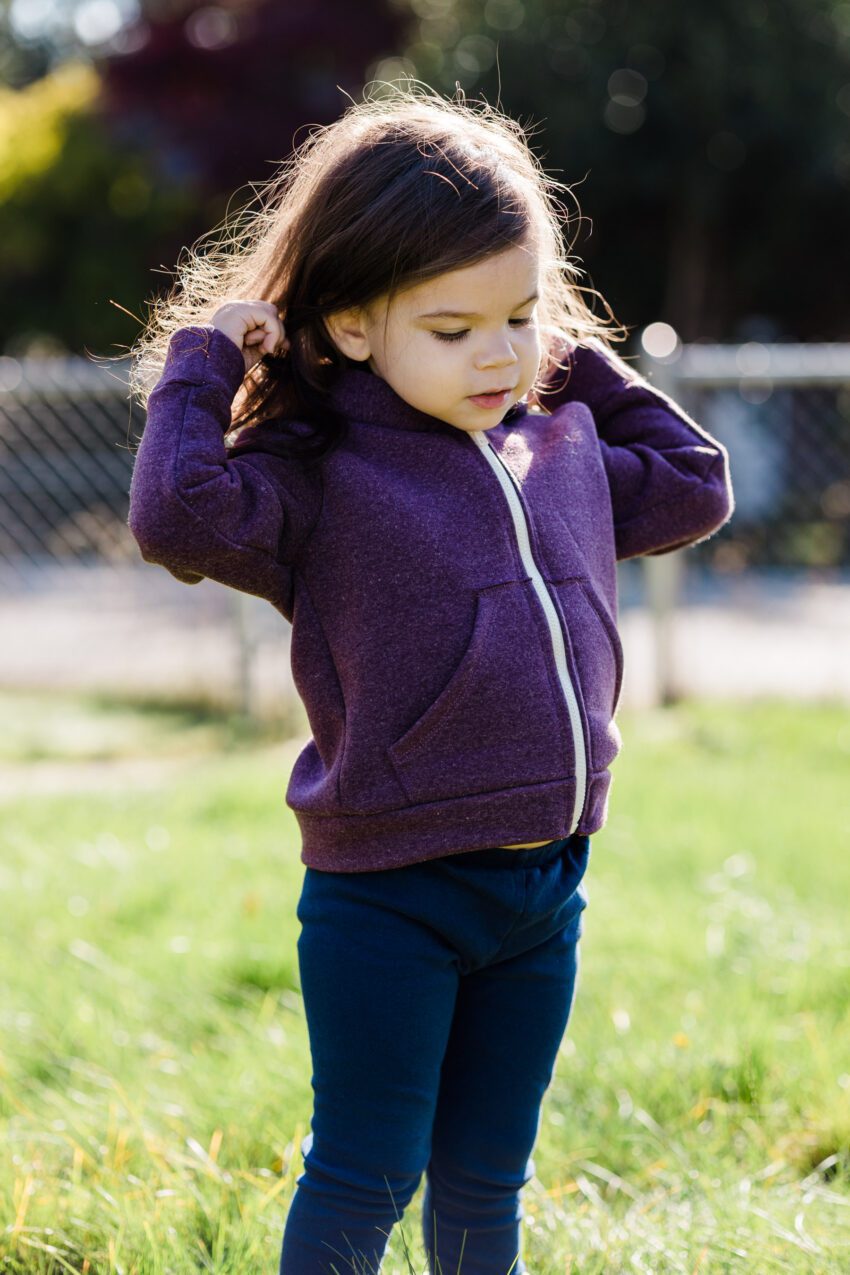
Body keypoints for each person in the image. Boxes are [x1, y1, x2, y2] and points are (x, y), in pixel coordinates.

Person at [127, 84, 733, 1275]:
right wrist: (203, 359)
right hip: (389, 898)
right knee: (366, 1173)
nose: (499, 354)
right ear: (353, 326)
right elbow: (176, 515)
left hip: (544, 886)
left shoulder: (560, 448)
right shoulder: (320, 478)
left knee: (485, 1181)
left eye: (521, 316)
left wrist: (575, 361)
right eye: (453, 330)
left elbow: (695, 478)